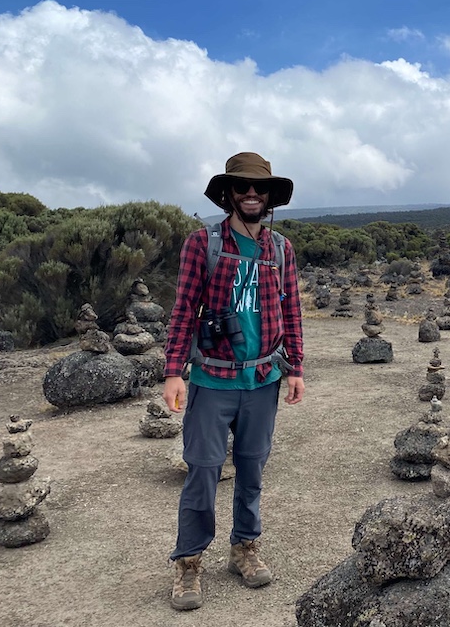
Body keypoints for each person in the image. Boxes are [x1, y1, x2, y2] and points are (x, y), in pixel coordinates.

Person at [162, 152, 305, 611]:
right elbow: (184, 308)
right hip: (212, 378)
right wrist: (173, 371)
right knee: (202, 470)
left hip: (263, 378)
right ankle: (188, 561)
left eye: (259, 188)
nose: (250, 194)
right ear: (228, 193)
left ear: (269, 197)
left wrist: (297, 367)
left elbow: (292, 311)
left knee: (252, 468)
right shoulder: (202, 243)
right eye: (242, 187)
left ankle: (245, 546)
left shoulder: (280, 249)